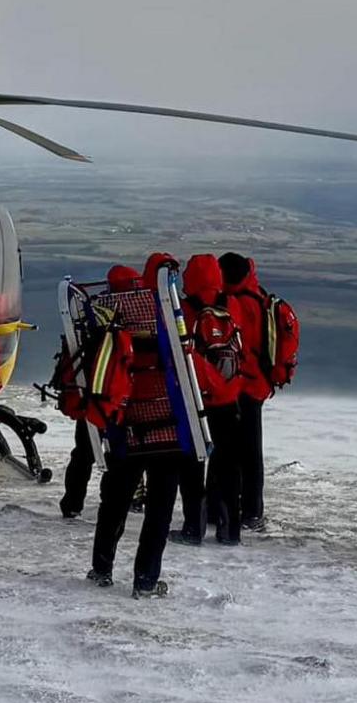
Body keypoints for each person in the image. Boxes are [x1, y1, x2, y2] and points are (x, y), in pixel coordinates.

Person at [87, 254, 186, 598]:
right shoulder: (171, 311)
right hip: (170, 426)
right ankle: (145, 580)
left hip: (125, 424)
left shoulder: (105, 312)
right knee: (160, 507)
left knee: (114, 500)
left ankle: (101, 568)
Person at [170, 254, 247, 546]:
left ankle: (194, 527)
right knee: (229, 467)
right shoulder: (232, 305)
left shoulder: (185, 309)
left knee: (192, 466)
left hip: (196, 400)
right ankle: (231, 529)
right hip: (229, 396)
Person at [58, 264, 142, 519]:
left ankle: (72, 503)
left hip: (91, 395)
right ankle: (123, 499)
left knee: (83, 452)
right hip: (120, 395)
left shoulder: (92, 315)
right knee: (123, 452)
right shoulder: (138, 315)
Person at [218, 252, 273, 531]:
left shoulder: (239, 303)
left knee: (238, 451)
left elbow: (237, 347)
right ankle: (251, 510)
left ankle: (244, 511)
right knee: (251, 450)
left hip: (243, 385)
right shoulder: (257, 295)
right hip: (258, 384)